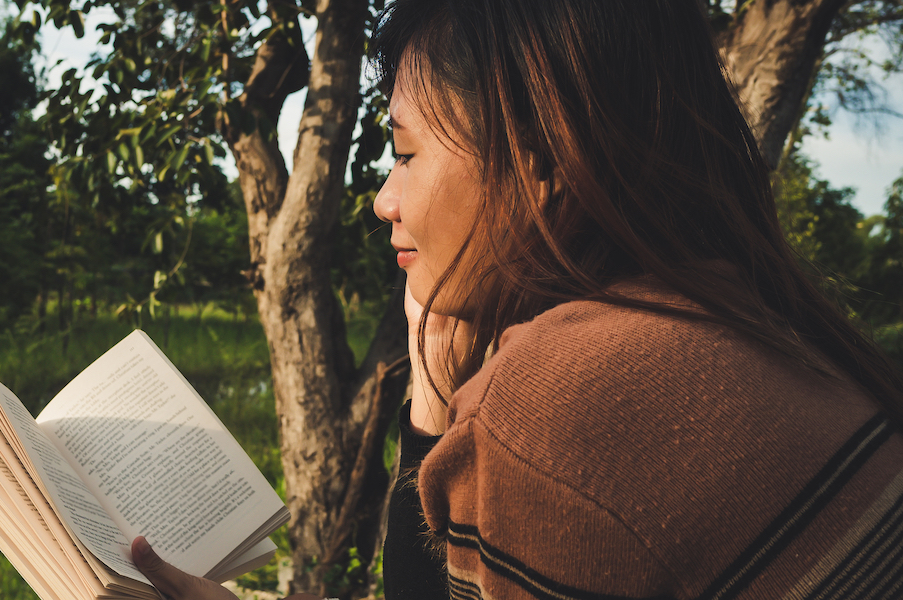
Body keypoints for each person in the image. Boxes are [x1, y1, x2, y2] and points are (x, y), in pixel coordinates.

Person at [129, 0, 903, 598]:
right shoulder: (754, 321)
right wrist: (435, 384)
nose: (382, 201)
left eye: (404, 153)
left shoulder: (559, 405)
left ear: (542, 157)